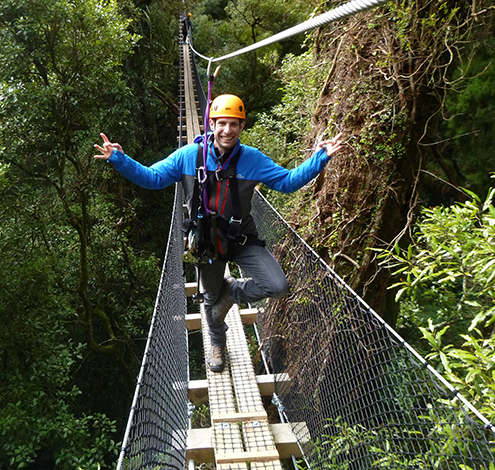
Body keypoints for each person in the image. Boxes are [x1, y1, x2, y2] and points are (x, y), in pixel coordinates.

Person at [94, 94, 343, 372]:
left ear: (242, 126)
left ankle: (233, 292)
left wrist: (320, 158)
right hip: (205, 242)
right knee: (211, 300)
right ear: (211, 124)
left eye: (233, 124)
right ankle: (217, 342)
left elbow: (286, 182)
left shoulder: (253, 160)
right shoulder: (189, 156)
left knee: (277, 286)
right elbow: (153, 179)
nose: (227, 130)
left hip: (241, 237)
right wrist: (119, 159)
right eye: (221, 123)